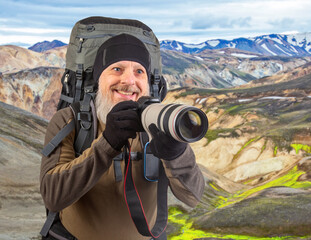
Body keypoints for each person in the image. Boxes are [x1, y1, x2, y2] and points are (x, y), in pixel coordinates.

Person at [40, 34, 205, 240]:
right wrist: (107, 144)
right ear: (99, 78)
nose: (129, 81)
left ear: (148, 82)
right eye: (117, 69)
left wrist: (177, 154)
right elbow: (52, 196)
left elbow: (193, 197)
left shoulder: (159, 123)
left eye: (139, 71)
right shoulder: (69, 120)